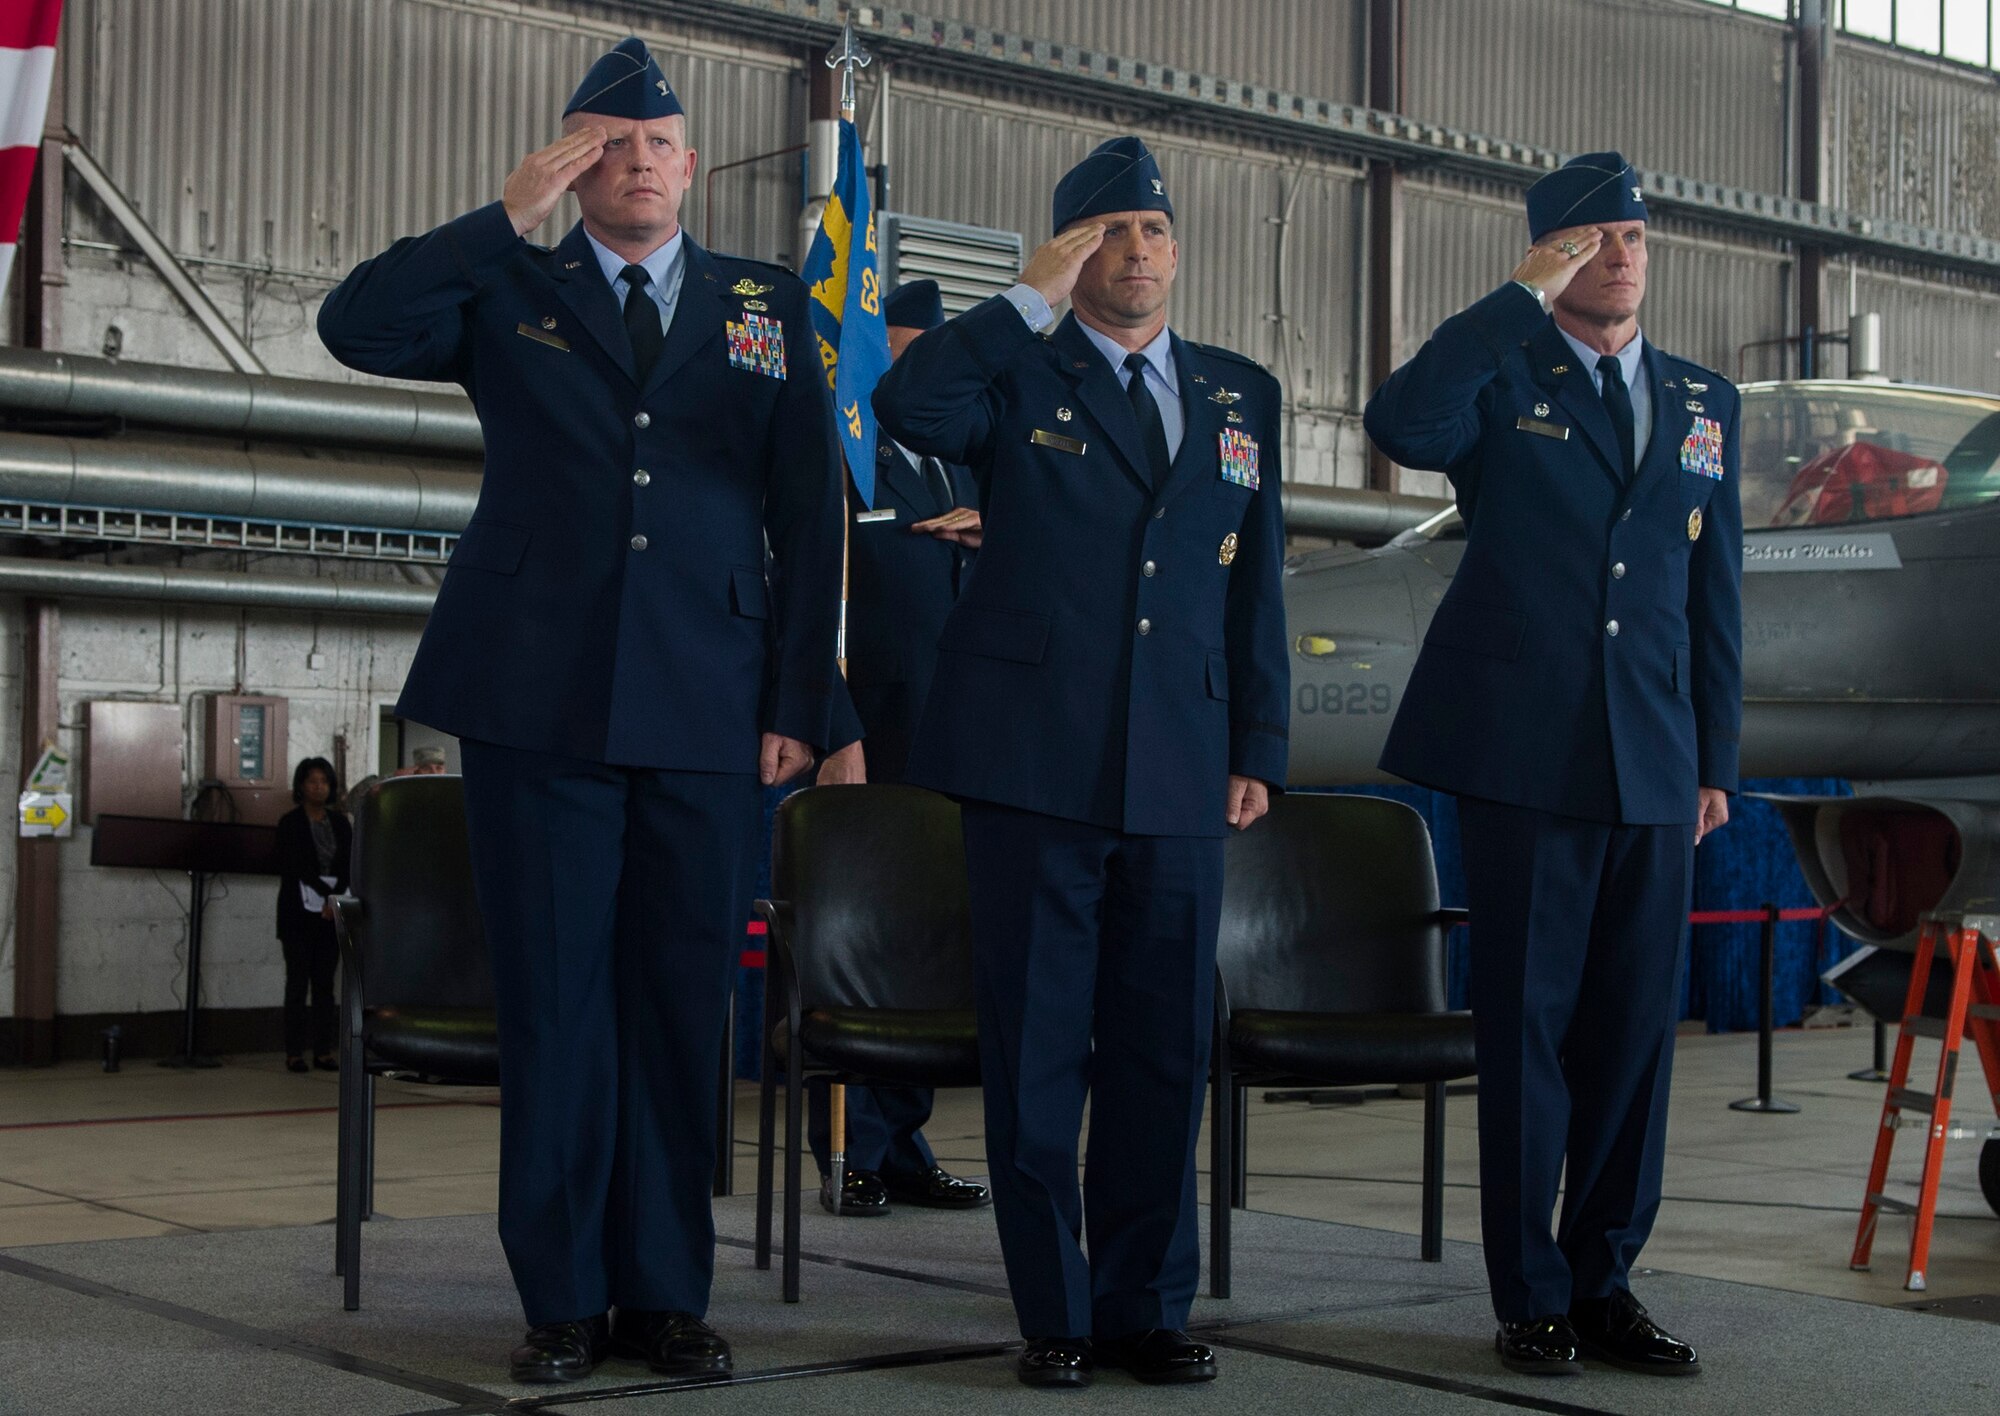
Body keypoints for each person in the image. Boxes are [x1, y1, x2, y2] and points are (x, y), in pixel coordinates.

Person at [318, 37, 843, 1385]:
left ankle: (664, 1294)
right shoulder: (508, 283)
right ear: (574, 161)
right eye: (613, 145)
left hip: (712, 703)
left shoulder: (765, 303)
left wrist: (803, 698)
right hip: (535, 693)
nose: (642, 164)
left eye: (663, 144)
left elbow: (808, 511)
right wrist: (500, 217)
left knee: (680, 1009)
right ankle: (560, 1297)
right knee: (554, 1006)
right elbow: (355, 326)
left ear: (691, 164)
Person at [874, 136, 1289, 1389]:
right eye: (1111, 232)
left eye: (1155, 230)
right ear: (1072, 252)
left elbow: (1251, 581)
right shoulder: (1014, 370)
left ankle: (1145, 1307)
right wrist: (1020, 300)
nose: (1140, 252)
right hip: (1032, 765)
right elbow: (907, 410)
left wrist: (1257, 741)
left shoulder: (1234, 394)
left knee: (1166, 1050)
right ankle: (1054, 1310)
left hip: (1181, 761)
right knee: (1039, 1050)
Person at [1364, 151, 1742, 1379]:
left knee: (1633, 1035)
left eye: (1633, 234)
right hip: (1520, 750)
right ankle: (1527, 1291)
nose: (1620, 255)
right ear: (1550, 255)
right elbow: (1398, 424)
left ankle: (1605, 1282)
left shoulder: (1699, 399)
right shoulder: (1500, 371)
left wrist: (1711, 758)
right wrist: (1513, 299)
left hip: (1651, 755)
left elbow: (1708, 597)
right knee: (1525, 1029)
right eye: (1590, 240)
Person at [810, 279, 990, 1221]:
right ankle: (848, 1149)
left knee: (931, 948)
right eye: (906, 356)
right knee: (859, 948)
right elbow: (808, 600)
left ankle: (904, 1139)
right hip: (870, 748)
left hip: (960, 748)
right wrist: (831, 724)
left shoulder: (966, 464)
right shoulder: (846, 458)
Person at [274, 756, 351, 1075]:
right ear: (301, 786)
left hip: (330, 913)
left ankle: (323, 1049)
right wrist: (324, 892)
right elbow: (294, 866)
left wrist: (335, 899)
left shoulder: (341, 823)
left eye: (324, 782)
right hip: (298, 912)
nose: (318, 787)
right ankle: (294, 1052)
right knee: (297, 983)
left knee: (324, 985)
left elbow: (348, 864)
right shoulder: (290, 823)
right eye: (312, 781)